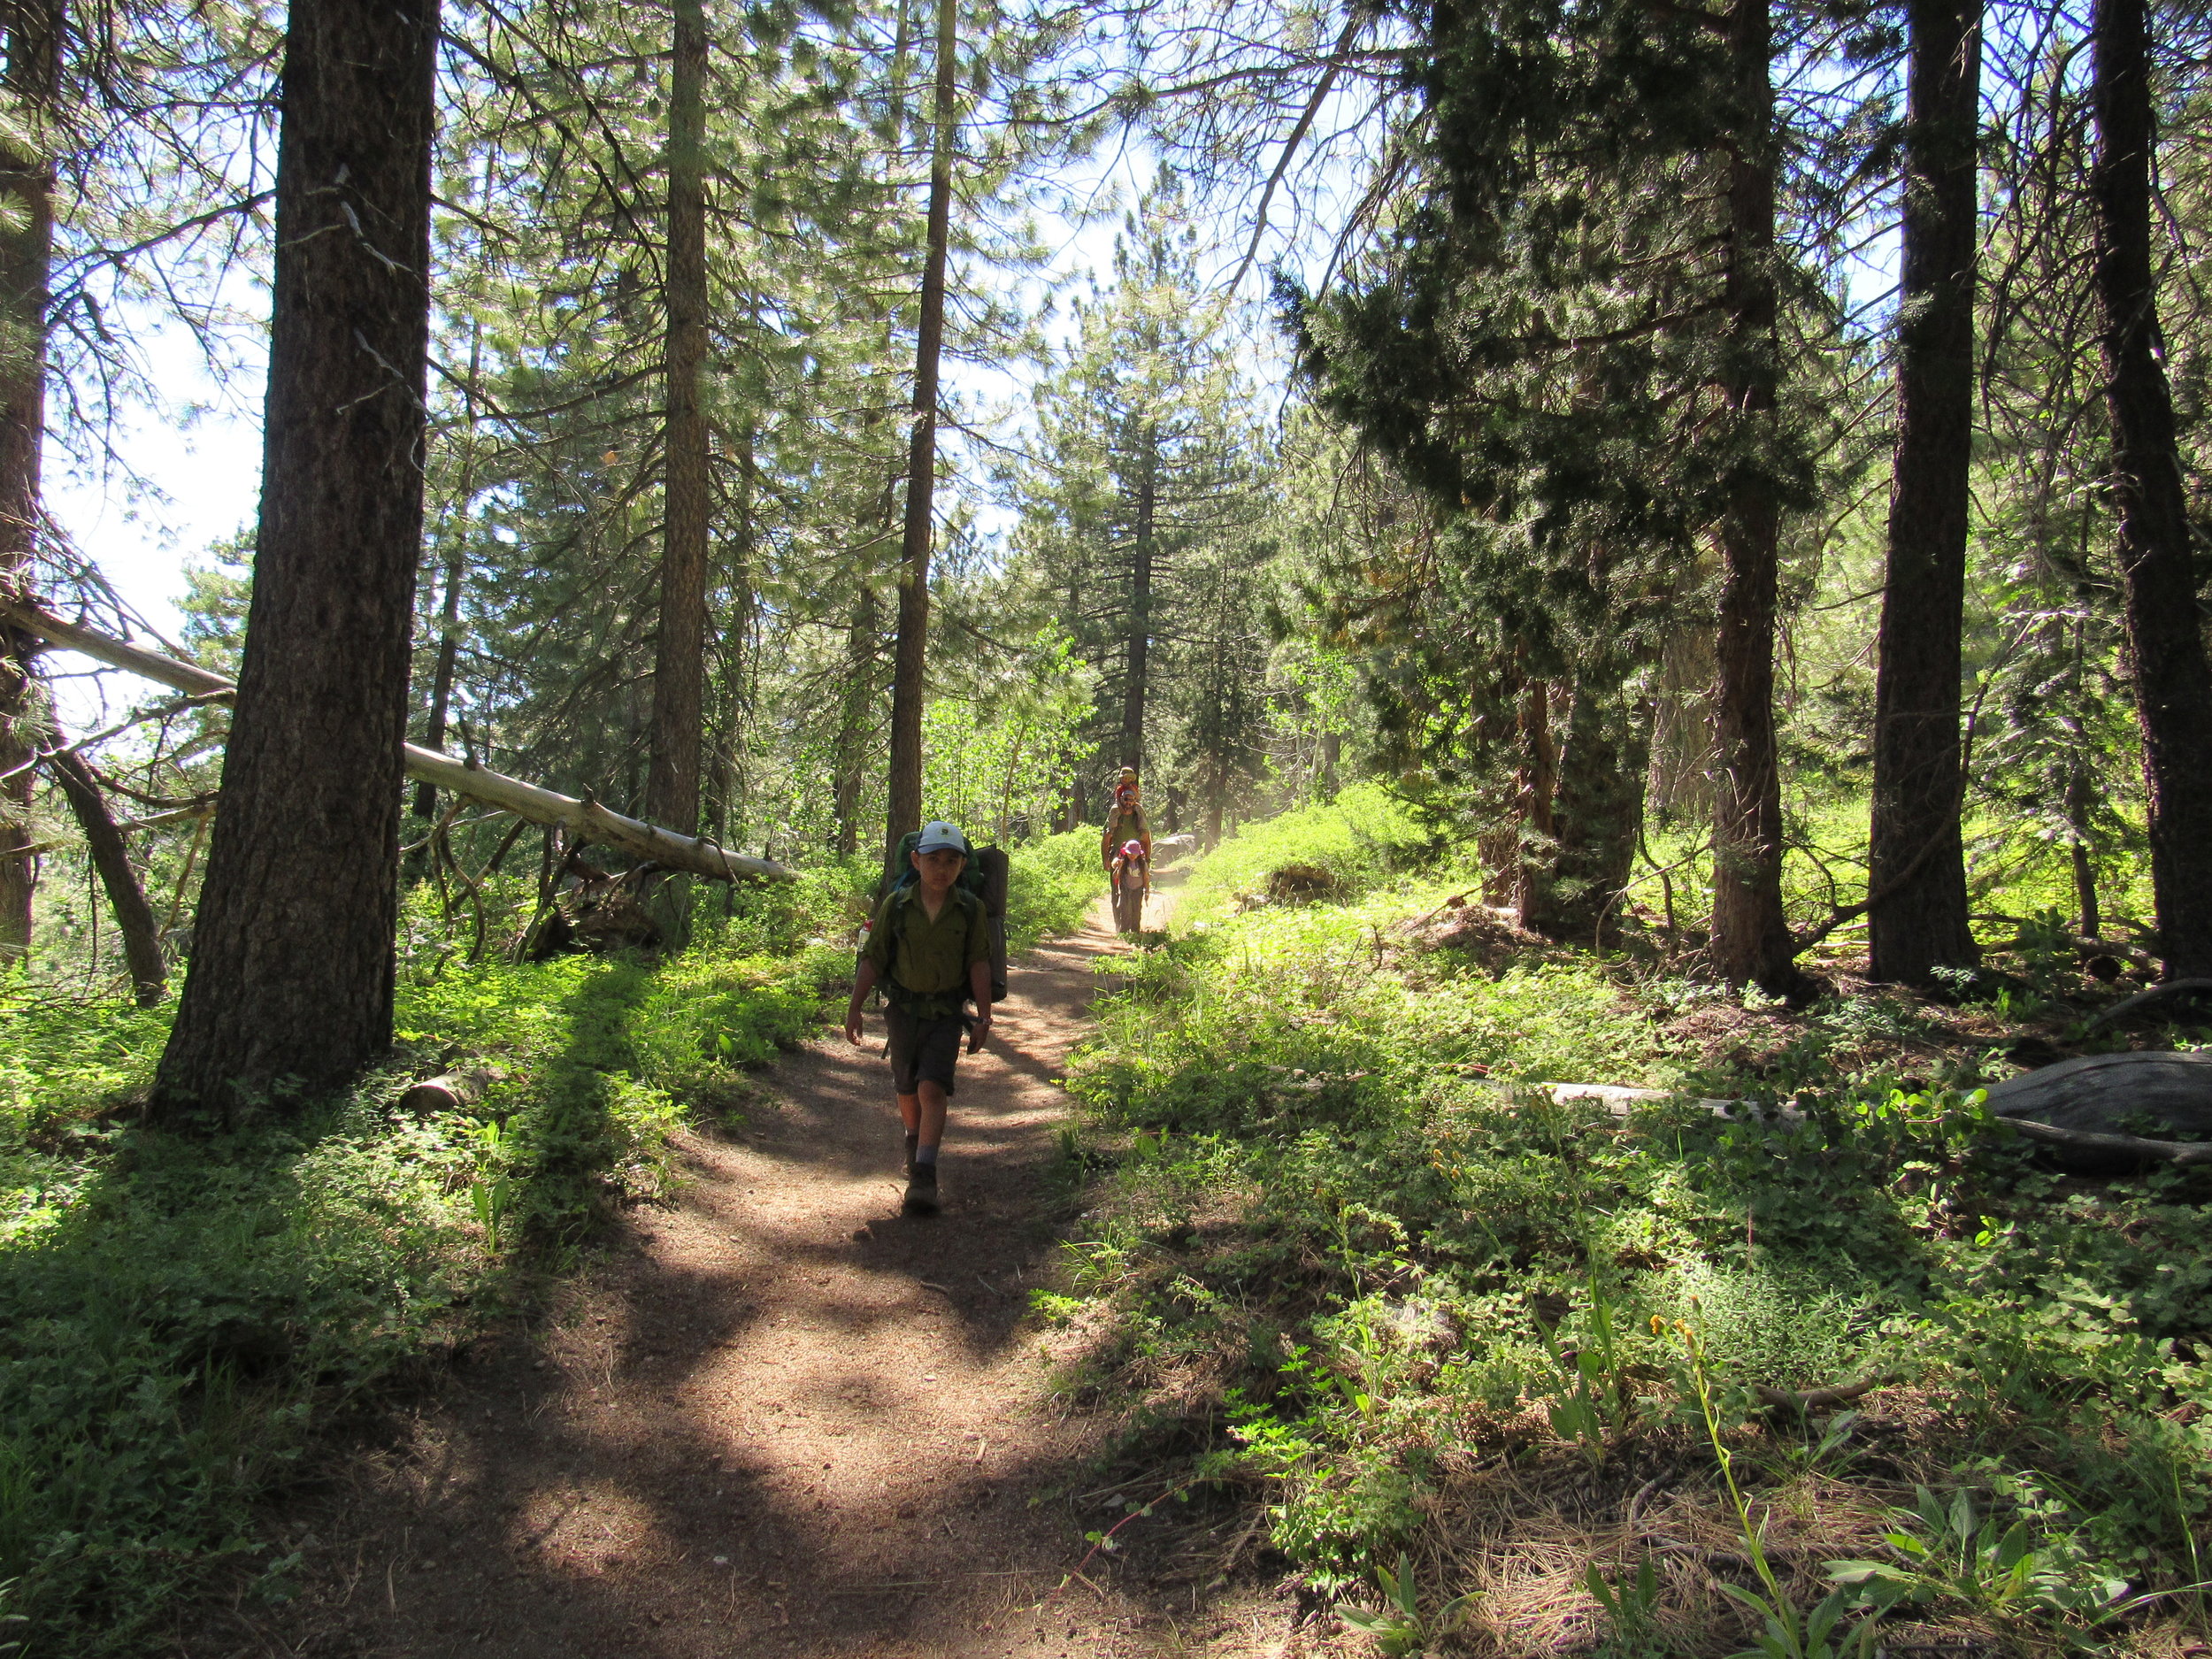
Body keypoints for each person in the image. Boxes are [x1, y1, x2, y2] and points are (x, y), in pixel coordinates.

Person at [845, 820, 993, 1216]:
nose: (941, 868)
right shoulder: (897, 905)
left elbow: (979, 961)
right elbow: (873, 957)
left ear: (962, 866)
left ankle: (925, 1173)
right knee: (907, 1086)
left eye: (951, 860)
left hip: (946, 1013)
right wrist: (855, 1007)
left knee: (933, 1088)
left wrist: (984, 1017)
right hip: (903, 1012)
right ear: (916, 860)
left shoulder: (970, 910)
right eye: (932, 859)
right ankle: (913, 1140)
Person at [1101, 766, 1151, 875]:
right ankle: (1112, 827)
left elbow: (1147, 838)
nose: (1128, 802)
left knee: (1140, 811)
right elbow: (1106, 839)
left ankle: (1141, 827)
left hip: (1136, 852)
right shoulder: (1119, 789)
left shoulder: (1134, 789)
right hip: (1118, 851)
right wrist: (1105, 859)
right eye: (1125, 778)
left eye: (1128, 778)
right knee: (1113, 815)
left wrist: (1147, 859)